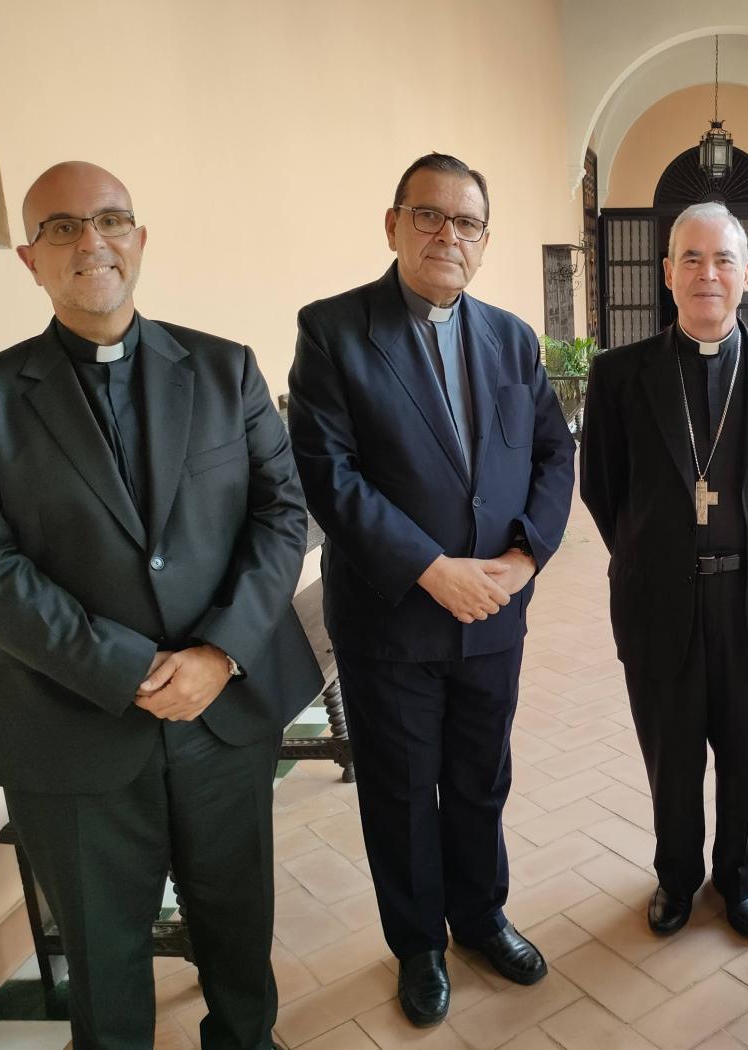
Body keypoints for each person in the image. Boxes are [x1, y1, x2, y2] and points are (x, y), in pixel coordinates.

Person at [0, 162, 321, 1049]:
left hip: (222, 721)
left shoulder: (225, 369)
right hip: (72, 731)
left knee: (239, 938)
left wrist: (219, 652)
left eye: (112, 219)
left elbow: (284, 515)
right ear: (28, 258)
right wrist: (126, 671)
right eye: (63, 227)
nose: (92, 241)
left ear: (140, 239)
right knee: (107, 968)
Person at [288, 153, 574, 1027]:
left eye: (467, 223)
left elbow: (554, 454)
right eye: (430, 216)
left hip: (494, 611)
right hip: (392, 619)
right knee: (403, 787)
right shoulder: (335, 331)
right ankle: (418, 944)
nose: (448, 235)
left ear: (485, 242)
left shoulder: (512, 338)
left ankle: (482, 916)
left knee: (481, 776)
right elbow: (328, 476)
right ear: (394, 225)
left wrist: (522, 562)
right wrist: (431, 568)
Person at [580, 201, 748, 940]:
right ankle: (676, 877)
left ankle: (739, 878)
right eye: (690, 258)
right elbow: (602, 488)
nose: (706, 274)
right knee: (672, 756)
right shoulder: (620, 376)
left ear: (746, 275)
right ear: (667, 274)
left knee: (747, 755)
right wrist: (653, 550)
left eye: (722, 259)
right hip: (661, 599)